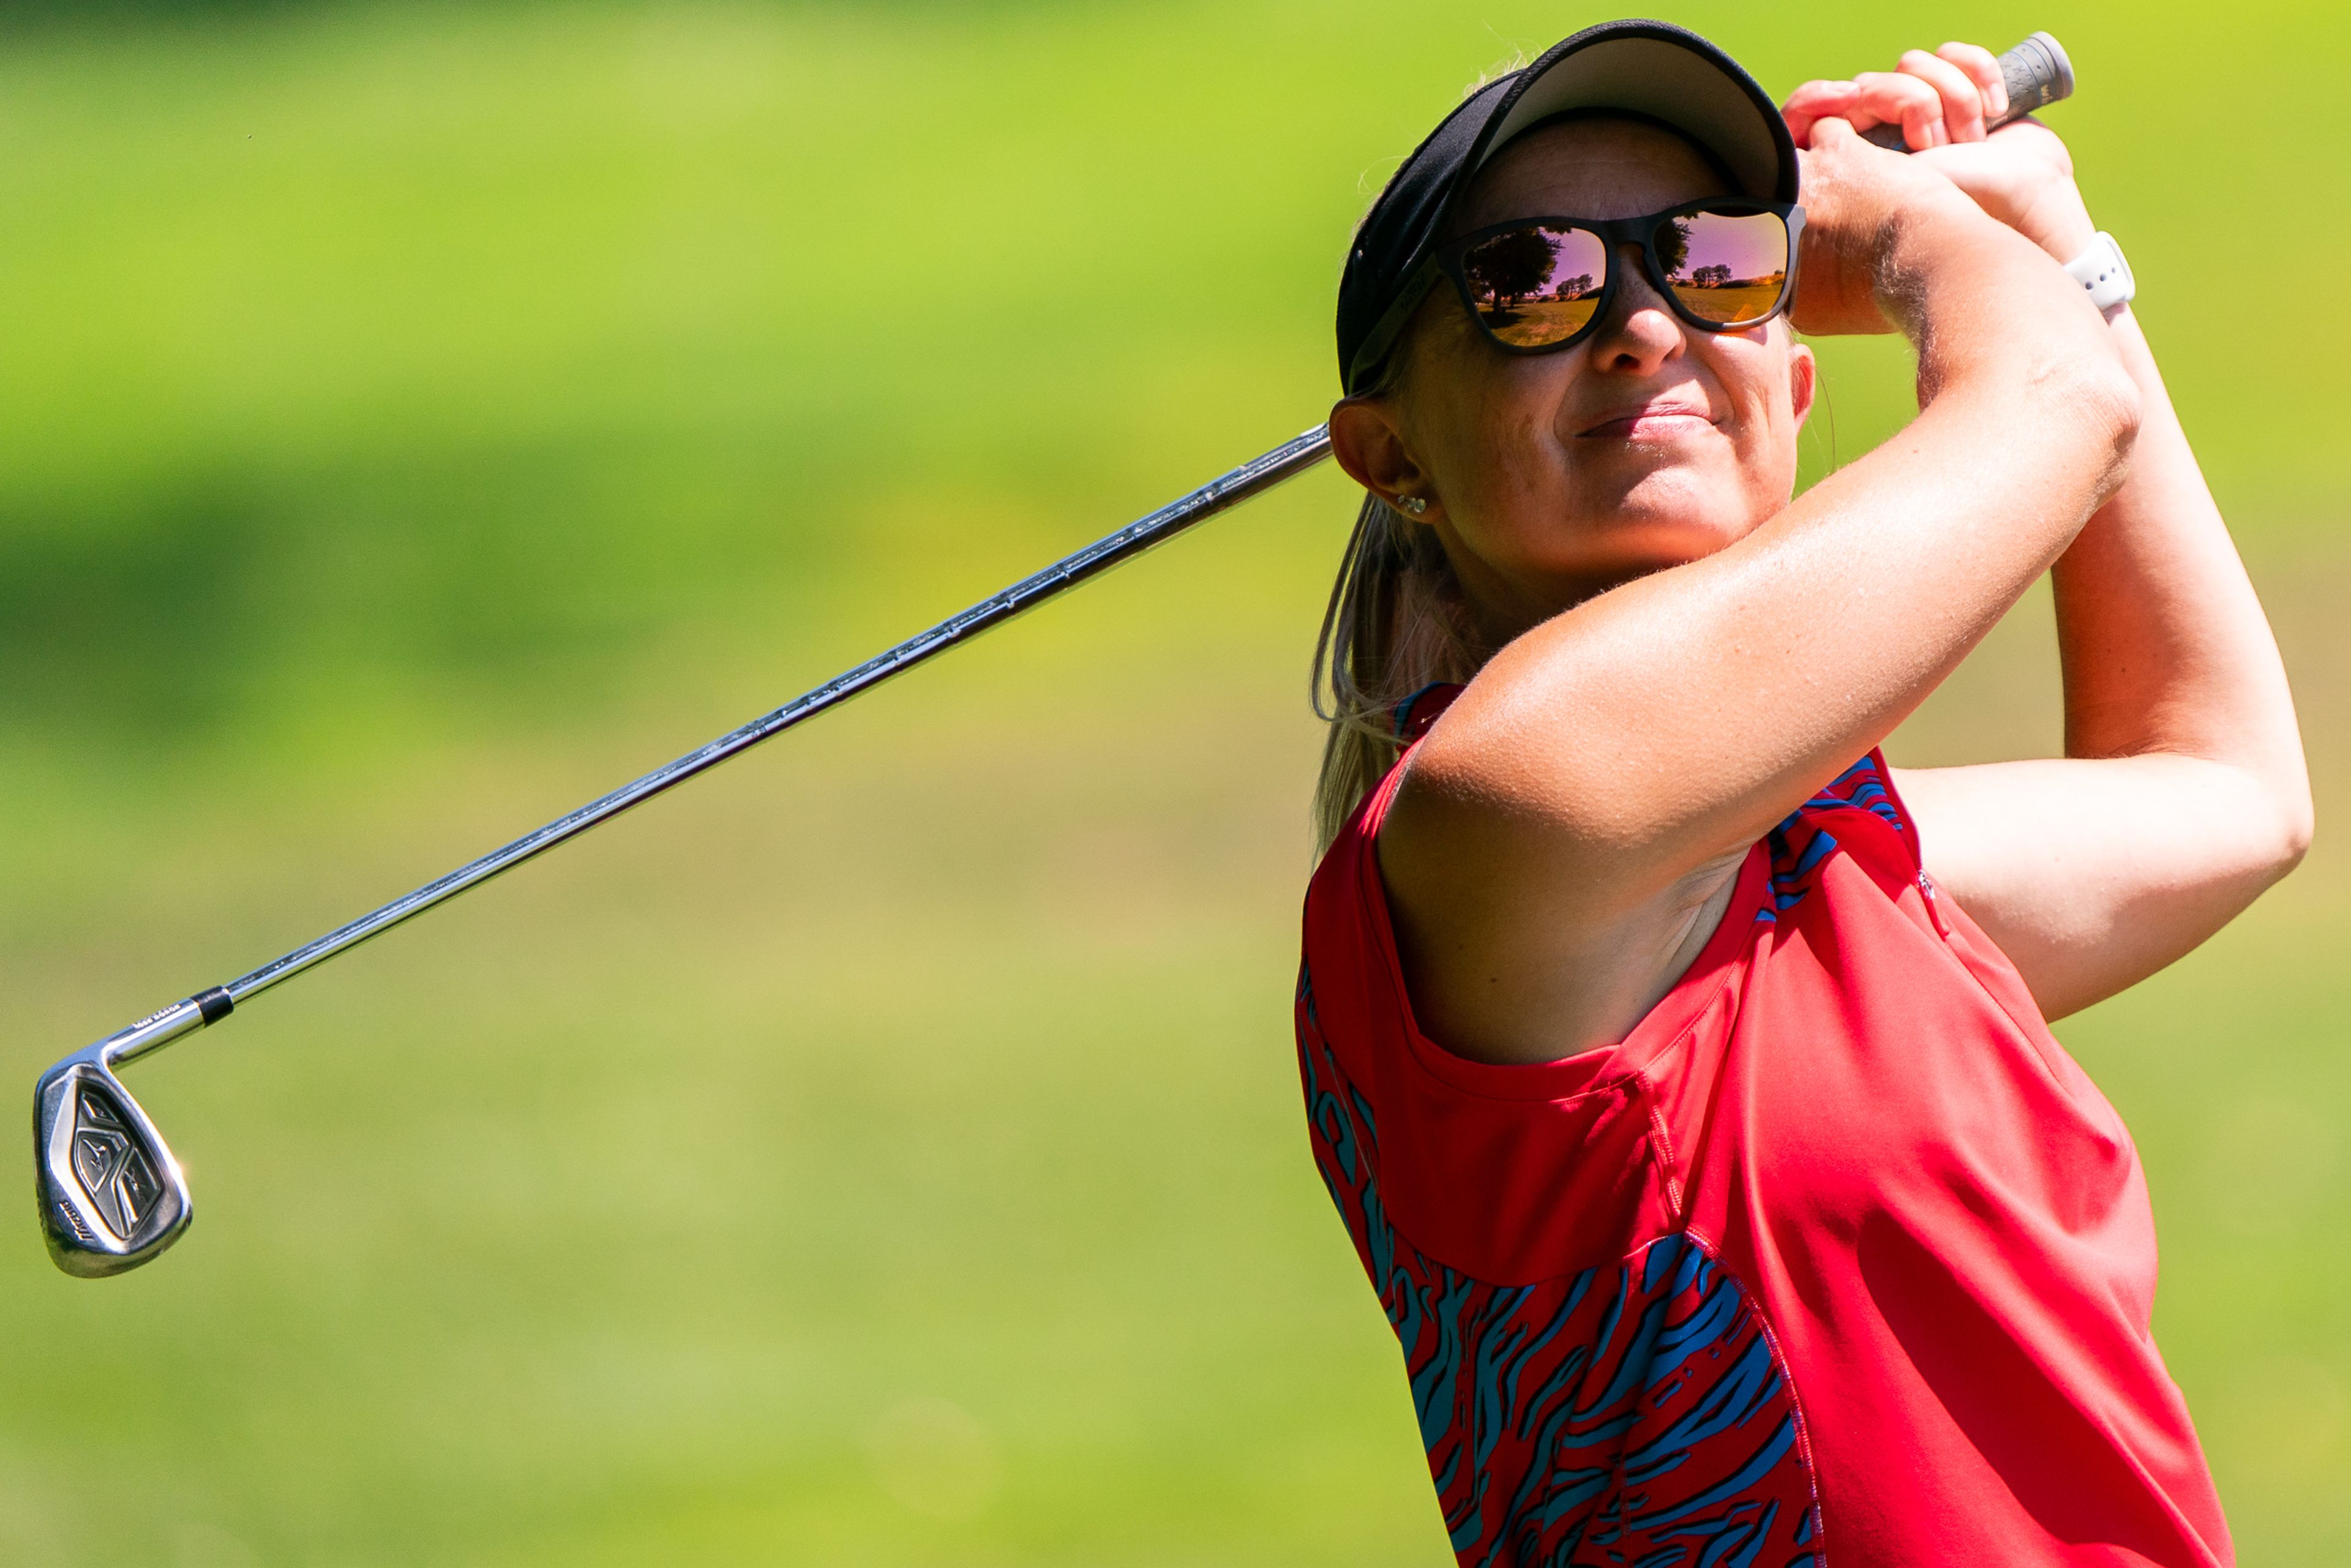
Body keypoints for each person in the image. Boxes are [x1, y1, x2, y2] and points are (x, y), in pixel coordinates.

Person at [1296, 20, 2308, 1566]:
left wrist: (2045, 240)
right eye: (1532, 282)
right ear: (1388, 453)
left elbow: (2222, 786)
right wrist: (1914, 231)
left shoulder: (1824, 864)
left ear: (1792, 377)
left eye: (1703, 260)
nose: (1638, 325)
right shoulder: (1510, 803)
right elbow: (2046, 405)